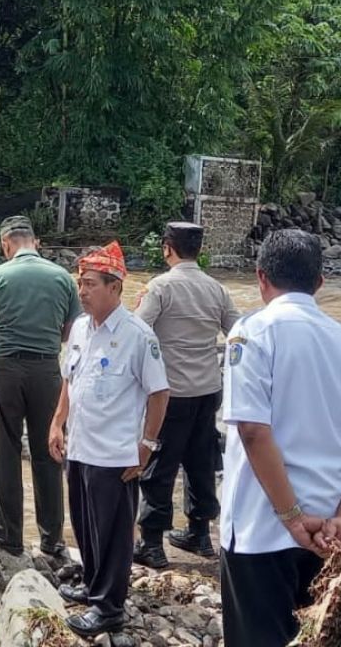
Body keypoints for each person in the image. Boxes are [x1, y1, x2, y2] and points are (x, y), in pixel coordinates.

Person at [219, 230, 341, 647]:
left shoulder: (252, 333)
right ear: (319, 283)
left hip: (261, 529)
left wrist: (292, 517)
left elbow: (253, 430)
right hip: (331, 535)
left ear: (260, 278)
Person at [49, 242, 169, 638]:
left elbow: (159, 393)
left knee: (113, 533)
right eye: (80, 283)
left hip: (116, 453)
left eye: (90, 284)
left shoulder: (138, 335)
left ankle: (110, 609)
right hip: (81, 446)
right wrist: (57, 422)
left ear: (115, 287)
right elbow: (71, 378)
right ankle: (92, 583)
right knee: (84, 525)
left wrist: (147, 445)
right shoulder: (81, 328)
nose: (81, 291)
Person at [0, 215, 82, 559]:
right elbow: (70, 332)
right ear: (37, 242)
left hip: (7, 368)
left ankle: (8, 535)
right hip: (48, 369)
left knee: (4, 450)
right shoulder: (62, 277)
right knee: (50, 450)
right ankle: (52, 539)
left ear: (6, 244)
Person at [133, 222, 239, 568]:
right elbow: (238, 333)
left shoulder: (160, 287)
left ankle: (152, 543)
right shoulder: (217, 289)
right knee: (201, 461)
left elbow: (137, 332)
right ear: (199, 250)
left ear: (167, 248)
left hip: (171, 393)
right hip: (208, 389)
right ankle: (199, 533)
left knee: (160, 465)